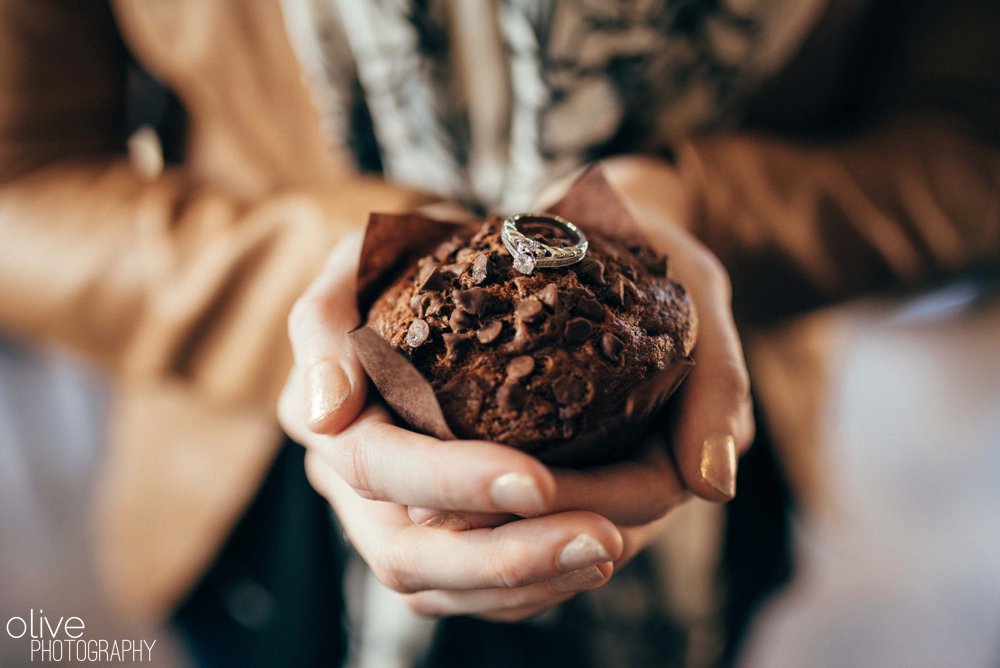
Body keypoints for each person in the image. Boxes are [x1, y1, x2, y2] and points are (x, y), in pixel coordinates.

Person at [1, 1, 997, 666]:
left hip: (704, 434)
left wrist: (695, 201)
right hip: (253, 485)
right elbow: (20, 184)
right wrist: (345, 271)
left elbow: (968, 137)